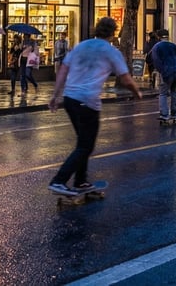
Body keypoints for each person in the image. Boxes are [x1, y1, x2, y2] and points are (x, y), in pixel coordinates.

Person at [48, 17, 141, 194]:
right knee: (86, 146)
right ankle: (59, 180)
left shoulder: (81, 46)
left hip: (70, 98)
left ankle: (81, 181)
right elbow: (126, 78)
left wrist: (55, 95)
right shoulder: (111, 51)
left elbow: (63, 70)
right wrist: (136, 92)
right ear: (113, 33)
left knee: (82, 142)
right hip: (87, 101)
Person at [151, 29, 176, 123]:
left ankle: (164, 114)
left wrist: (161, 71)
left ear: (158, 37)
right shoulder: (174, 46)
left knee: (163, 93)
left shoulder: (157, 47)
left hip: (167, 71)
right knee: (174, 92)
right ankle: (174, 112)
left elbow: (156, 61)